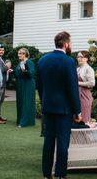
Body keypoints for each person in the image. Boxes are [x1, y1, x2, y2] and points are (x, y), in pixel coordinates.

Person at [38, 31, 81, 179]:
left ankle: (46, 174)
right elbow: (72, 88)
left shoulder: (43, 60)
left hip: (47, 107)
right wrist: (78, 111)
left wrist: (44, 100)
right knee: (63, 143)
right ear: (66, 44)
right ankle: (61, 175)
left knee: (48, 141)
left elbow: (40, 86)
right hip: (64, 109)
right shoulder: (69, 62)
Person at [15, 47, 36, 127]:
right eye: (18, 53)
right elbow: (17, 74)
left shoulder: (29, 62)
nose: (18, 55)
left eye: (20, 53)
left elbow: (32, 74)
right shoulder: (20, 63)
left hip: (28, 84)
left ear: (25, 54)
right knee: (20, 101)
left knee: (26, 102)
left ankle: (24, 121)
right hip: (20, 84)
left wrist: (25, 71)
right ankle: (20, 119)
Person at [0, 44, 12, 124]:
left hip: (2, 83)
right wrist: (7, 67)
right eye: (0, 50)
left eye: (3, 50)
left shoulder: (0, 58)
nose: (2, 51)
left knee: (1, 100)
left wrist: (7, 70)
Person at [77, 50, 95, 123]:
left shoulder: (89, 69)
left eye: (81, 57)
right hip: (77, 95)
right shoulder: (77, 69)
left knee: (84, 119)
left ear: (86, 58)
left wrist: (78, 83)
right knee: (77, 119)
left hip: (85, 96)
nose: (79, 58)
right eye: (78, 57)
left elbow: (92, 83)